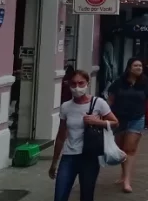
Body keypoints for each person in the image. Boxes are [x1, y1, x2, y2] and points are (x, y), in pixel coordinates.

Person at [50, 70, 119, 201]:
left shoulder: (98, 103)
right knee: (59, 195)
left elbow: (115, 122)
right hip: (69, 156)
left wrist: (97, 122)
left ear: (87, 83)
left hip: (89, 156)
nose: (77, 87)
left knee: (87, 196)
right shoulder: (66, 107)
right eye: (74, 84)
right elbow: (61, 136)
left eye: (81, 83)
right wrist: (54, 162)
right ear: (69, 85)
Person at [107, 58, 148, 193]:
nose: (139, 68)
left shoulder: (144, 83)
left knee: (130, 149)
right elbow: (109, 101)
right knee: (121, 148)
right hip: (119, 119)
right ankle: (123, 174)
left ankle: (127, 181)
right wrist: (103, 116)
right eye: (136, 65)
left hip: (137, 118)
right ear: (129, 68)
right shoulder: (118, 83)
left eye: (140, 65)